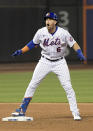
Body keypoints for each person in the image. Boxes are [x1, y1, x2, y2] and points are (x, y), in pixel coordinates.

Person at [11, 12, 86, 120]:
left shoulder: (63, 33)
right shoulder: (41, 32)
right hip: (44, 62)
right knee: (32, 84)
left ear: (55, 22)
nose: (48, 21)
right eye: (46, 19)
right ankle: (22, 110)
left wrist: (79, 52)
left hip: (60, 63)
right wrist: (21, 51)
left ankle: (75, 112)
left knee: (68, 87)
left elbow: (73, 43)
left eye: (50, 19)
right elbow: (33, 43)